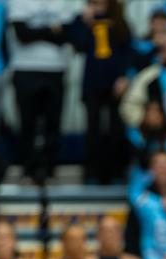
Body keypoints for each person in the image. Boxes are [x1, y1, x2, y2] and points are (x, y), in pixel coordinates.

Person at [66, 0, 131, 184]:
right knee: (93, 130)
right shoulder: (84, 18)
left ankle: (116, 172)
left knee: (116, 129)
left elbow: (127, 50)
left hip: (115, 83)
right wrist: (84, 21)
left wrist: (124, 76)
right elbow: (78, 44)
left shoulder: (119, 20)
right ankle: (92, 173)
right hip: (93, 82)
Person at [9, 0, 70, 181]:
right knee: (27, 122)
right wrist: (51, 30)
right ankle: (28, 166)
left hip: (55, 68)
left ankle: (50, 166)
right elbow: (22, 34)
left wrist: (36, 32)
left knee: (53, 122)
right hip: (25, 68)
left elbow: (65, 35)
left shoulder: (63, 3)